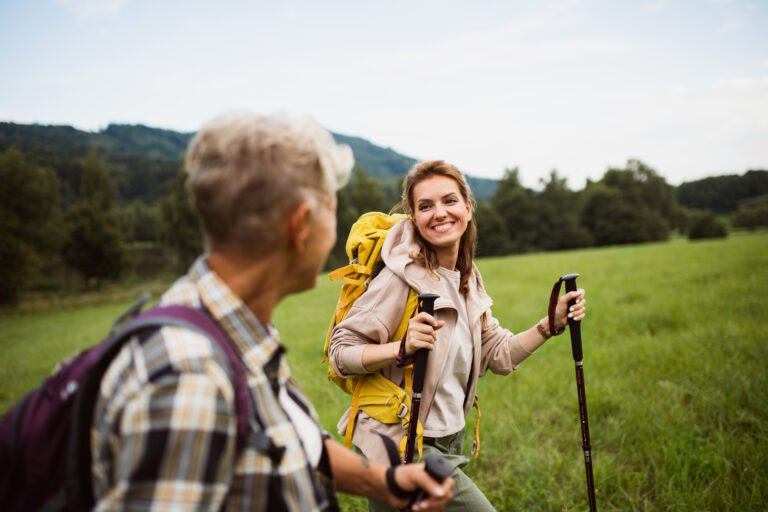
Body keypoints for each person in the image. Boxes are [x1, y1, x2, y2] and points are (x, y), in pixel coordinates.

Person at [90, 113, 454, 511]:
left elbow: (286, 438)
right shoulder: (191, 378)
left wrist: (382, 481)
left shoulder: (228, 326)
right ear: (300, 225)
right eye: (333, 211)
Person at [327, 159, 587, 511]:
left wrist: (549, 324)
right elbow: (340, 352)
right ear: (414, 218)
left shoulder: (467, 279)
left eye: (449, 201)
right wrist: (400, 348)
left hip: (449, 439)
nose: (439, 213)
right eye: (425, 206)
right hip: (399, 441)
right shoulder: (400, 279)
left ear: (467, 207)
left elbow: (499, 353)